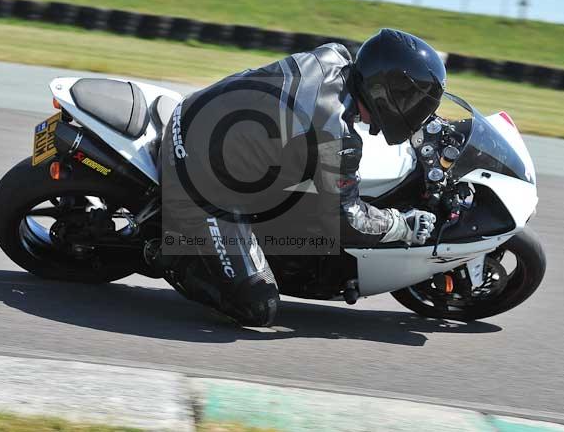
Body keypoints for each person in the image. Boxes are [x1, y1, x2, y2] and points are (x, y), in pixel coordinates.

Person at [157, 28, 445, 326]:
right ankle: (178, 257)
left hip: (198, 114)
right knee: (258, 306)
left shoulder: (334, 56)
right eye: (413, 102)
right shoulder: (335, 131)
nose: (416, 111)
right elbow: (346, 220)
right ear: (387, 91)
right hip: (199, 176)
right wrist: (401, 225)